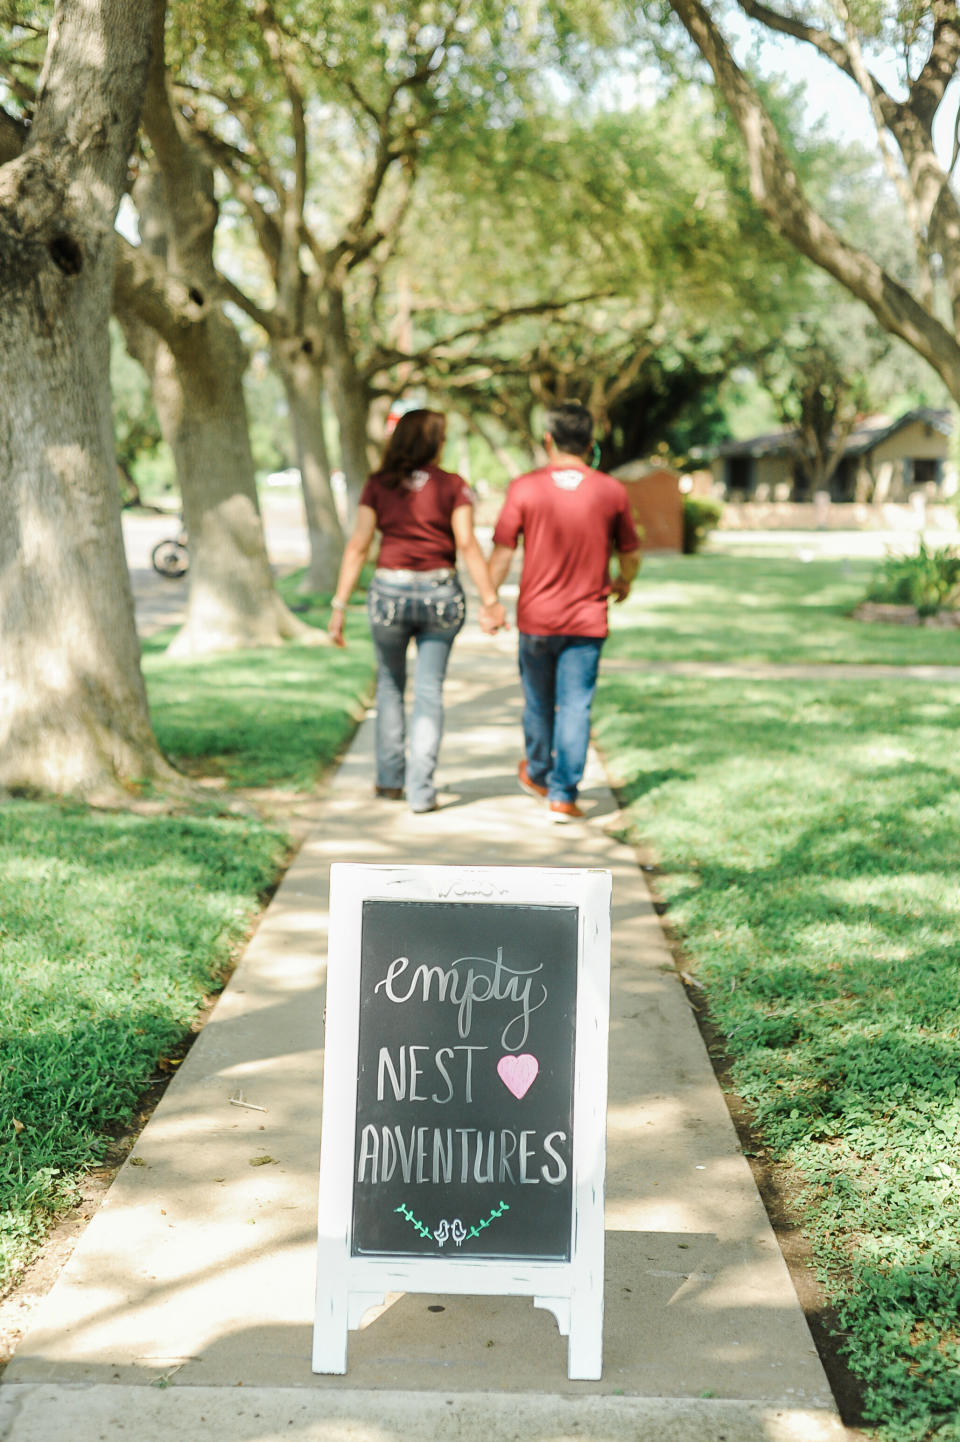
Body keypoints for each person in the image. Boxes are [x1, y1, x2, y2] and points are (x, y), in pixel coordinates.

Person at [328, 408, 504, 813]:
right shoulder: (453, 486)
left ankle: (390, 781)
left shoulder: (378, 484)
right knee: (429, 693)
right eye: (441, 439)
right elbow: (467, 544)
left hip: (389, 593)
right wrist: (489, 601)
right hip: (441, 594)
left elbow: (358, 546)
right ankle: (421, 791)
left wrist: (339, 606)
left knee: (390, 688)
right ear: (432, 443)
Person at [487, 400, 641, 823]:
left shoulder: (524, 487)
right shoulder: (611, 491)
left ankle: (537, 772)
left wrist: (489, 599)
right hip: (588, 621)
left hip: (537, 618)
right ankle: (563, 794)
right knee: (575, 707)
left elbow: (502, 550)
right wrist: (624, 581)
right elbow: (630, 552)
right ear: (591, 443)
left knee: (538, 703)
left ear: (549, 440)